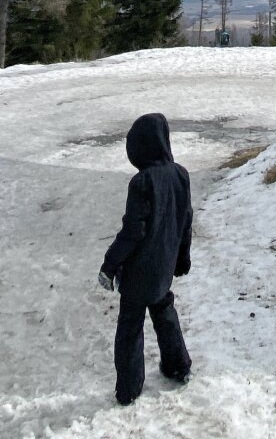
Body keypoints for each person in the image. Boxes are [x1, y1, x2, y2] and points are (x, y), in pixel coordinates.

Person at [99, 112, 193, 406]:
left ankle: (129, 387)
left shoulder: (141, 183)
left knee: (130, 327)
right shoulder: (180, 174)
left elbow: (132, 232)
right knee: (165, 312)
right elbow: (185, 220)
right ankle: (178, 365)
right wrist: (181, 258)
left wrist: (109, 265)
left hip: (139, 271)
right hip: (164, 265)